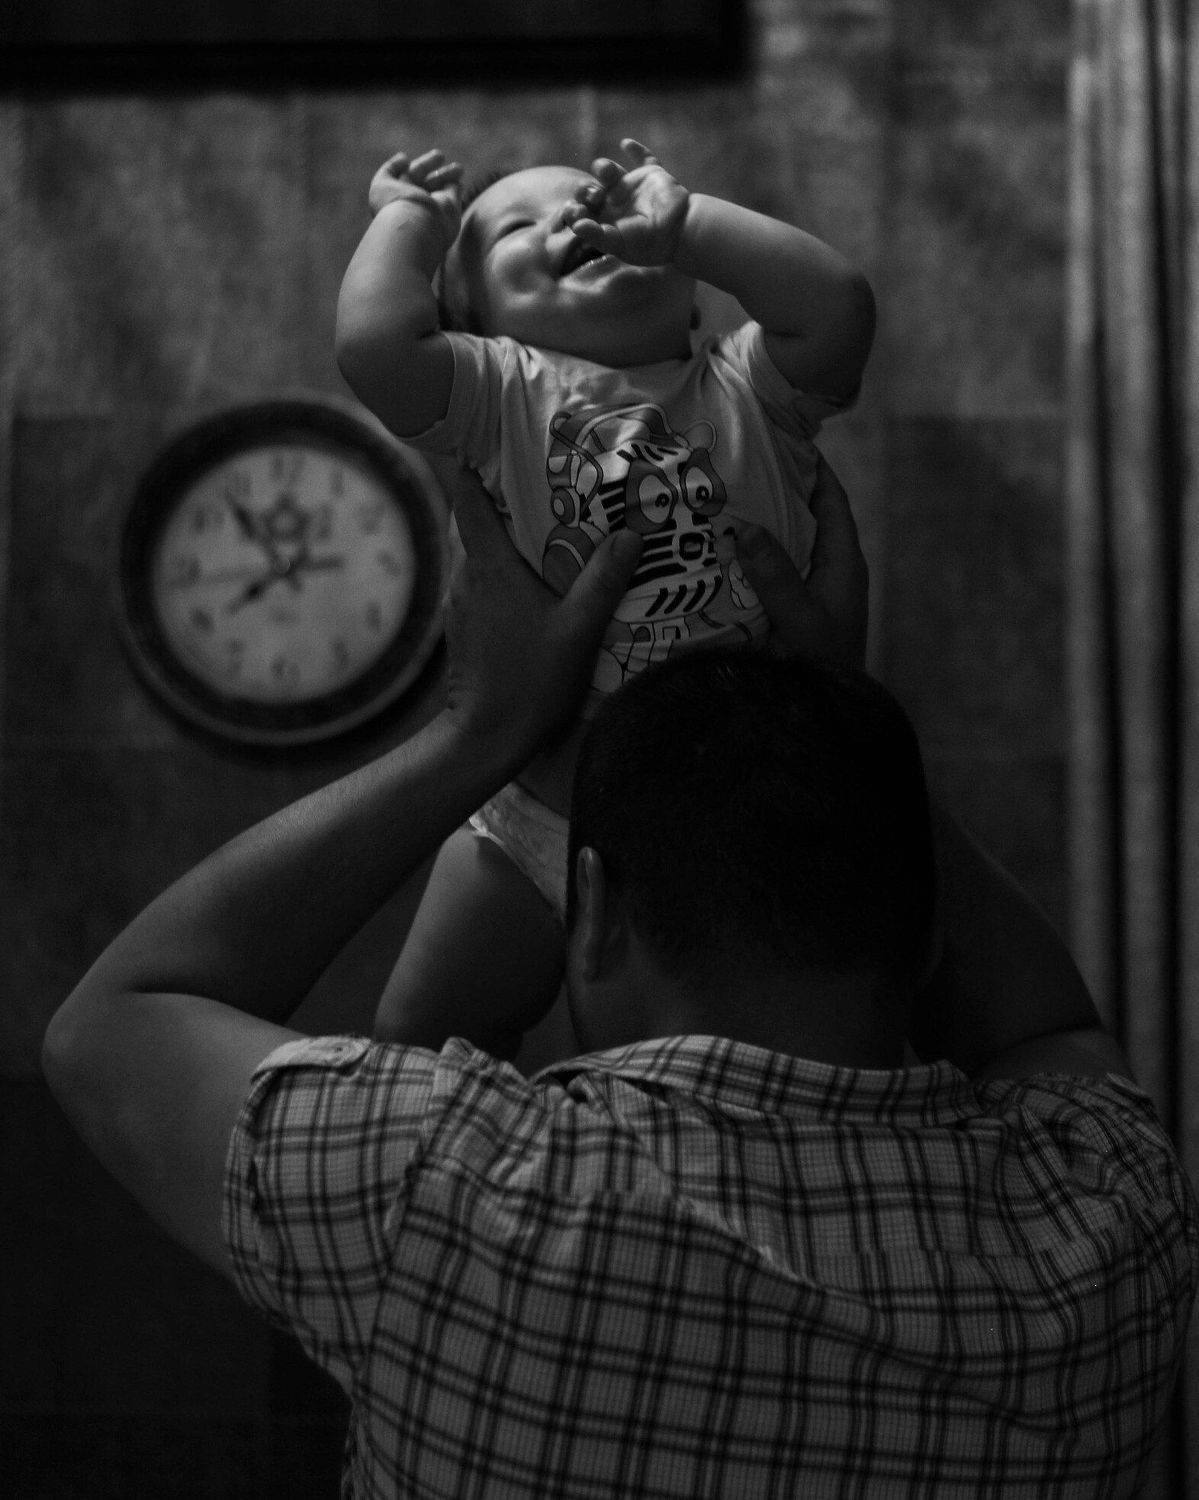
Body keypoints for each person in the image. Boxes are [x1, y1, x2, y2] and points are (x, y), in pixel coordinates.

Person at [43, 472, 1198, 1496]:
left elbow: (108, 1026)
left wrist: (480, 731)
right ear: (931, 929)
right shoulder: (1102, 1233)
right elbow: (1042, 1025)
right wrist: (830, 724)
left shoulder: (440, 1188)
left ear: (589, 911)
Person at [335, 135, 876, 1048]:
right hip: (546, 807)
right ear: (476, 327)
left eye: (599, 198)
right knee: (417, 1037)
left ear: (690, 289)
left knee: (751, 1044)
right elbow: (373, 346)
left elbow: (838, 306)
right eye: (515, 227)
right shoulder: (495, 394)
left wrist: (688, 225)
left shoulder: (749, 384)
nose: (572, 216)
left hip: (748, 806)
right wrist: (410, 222)